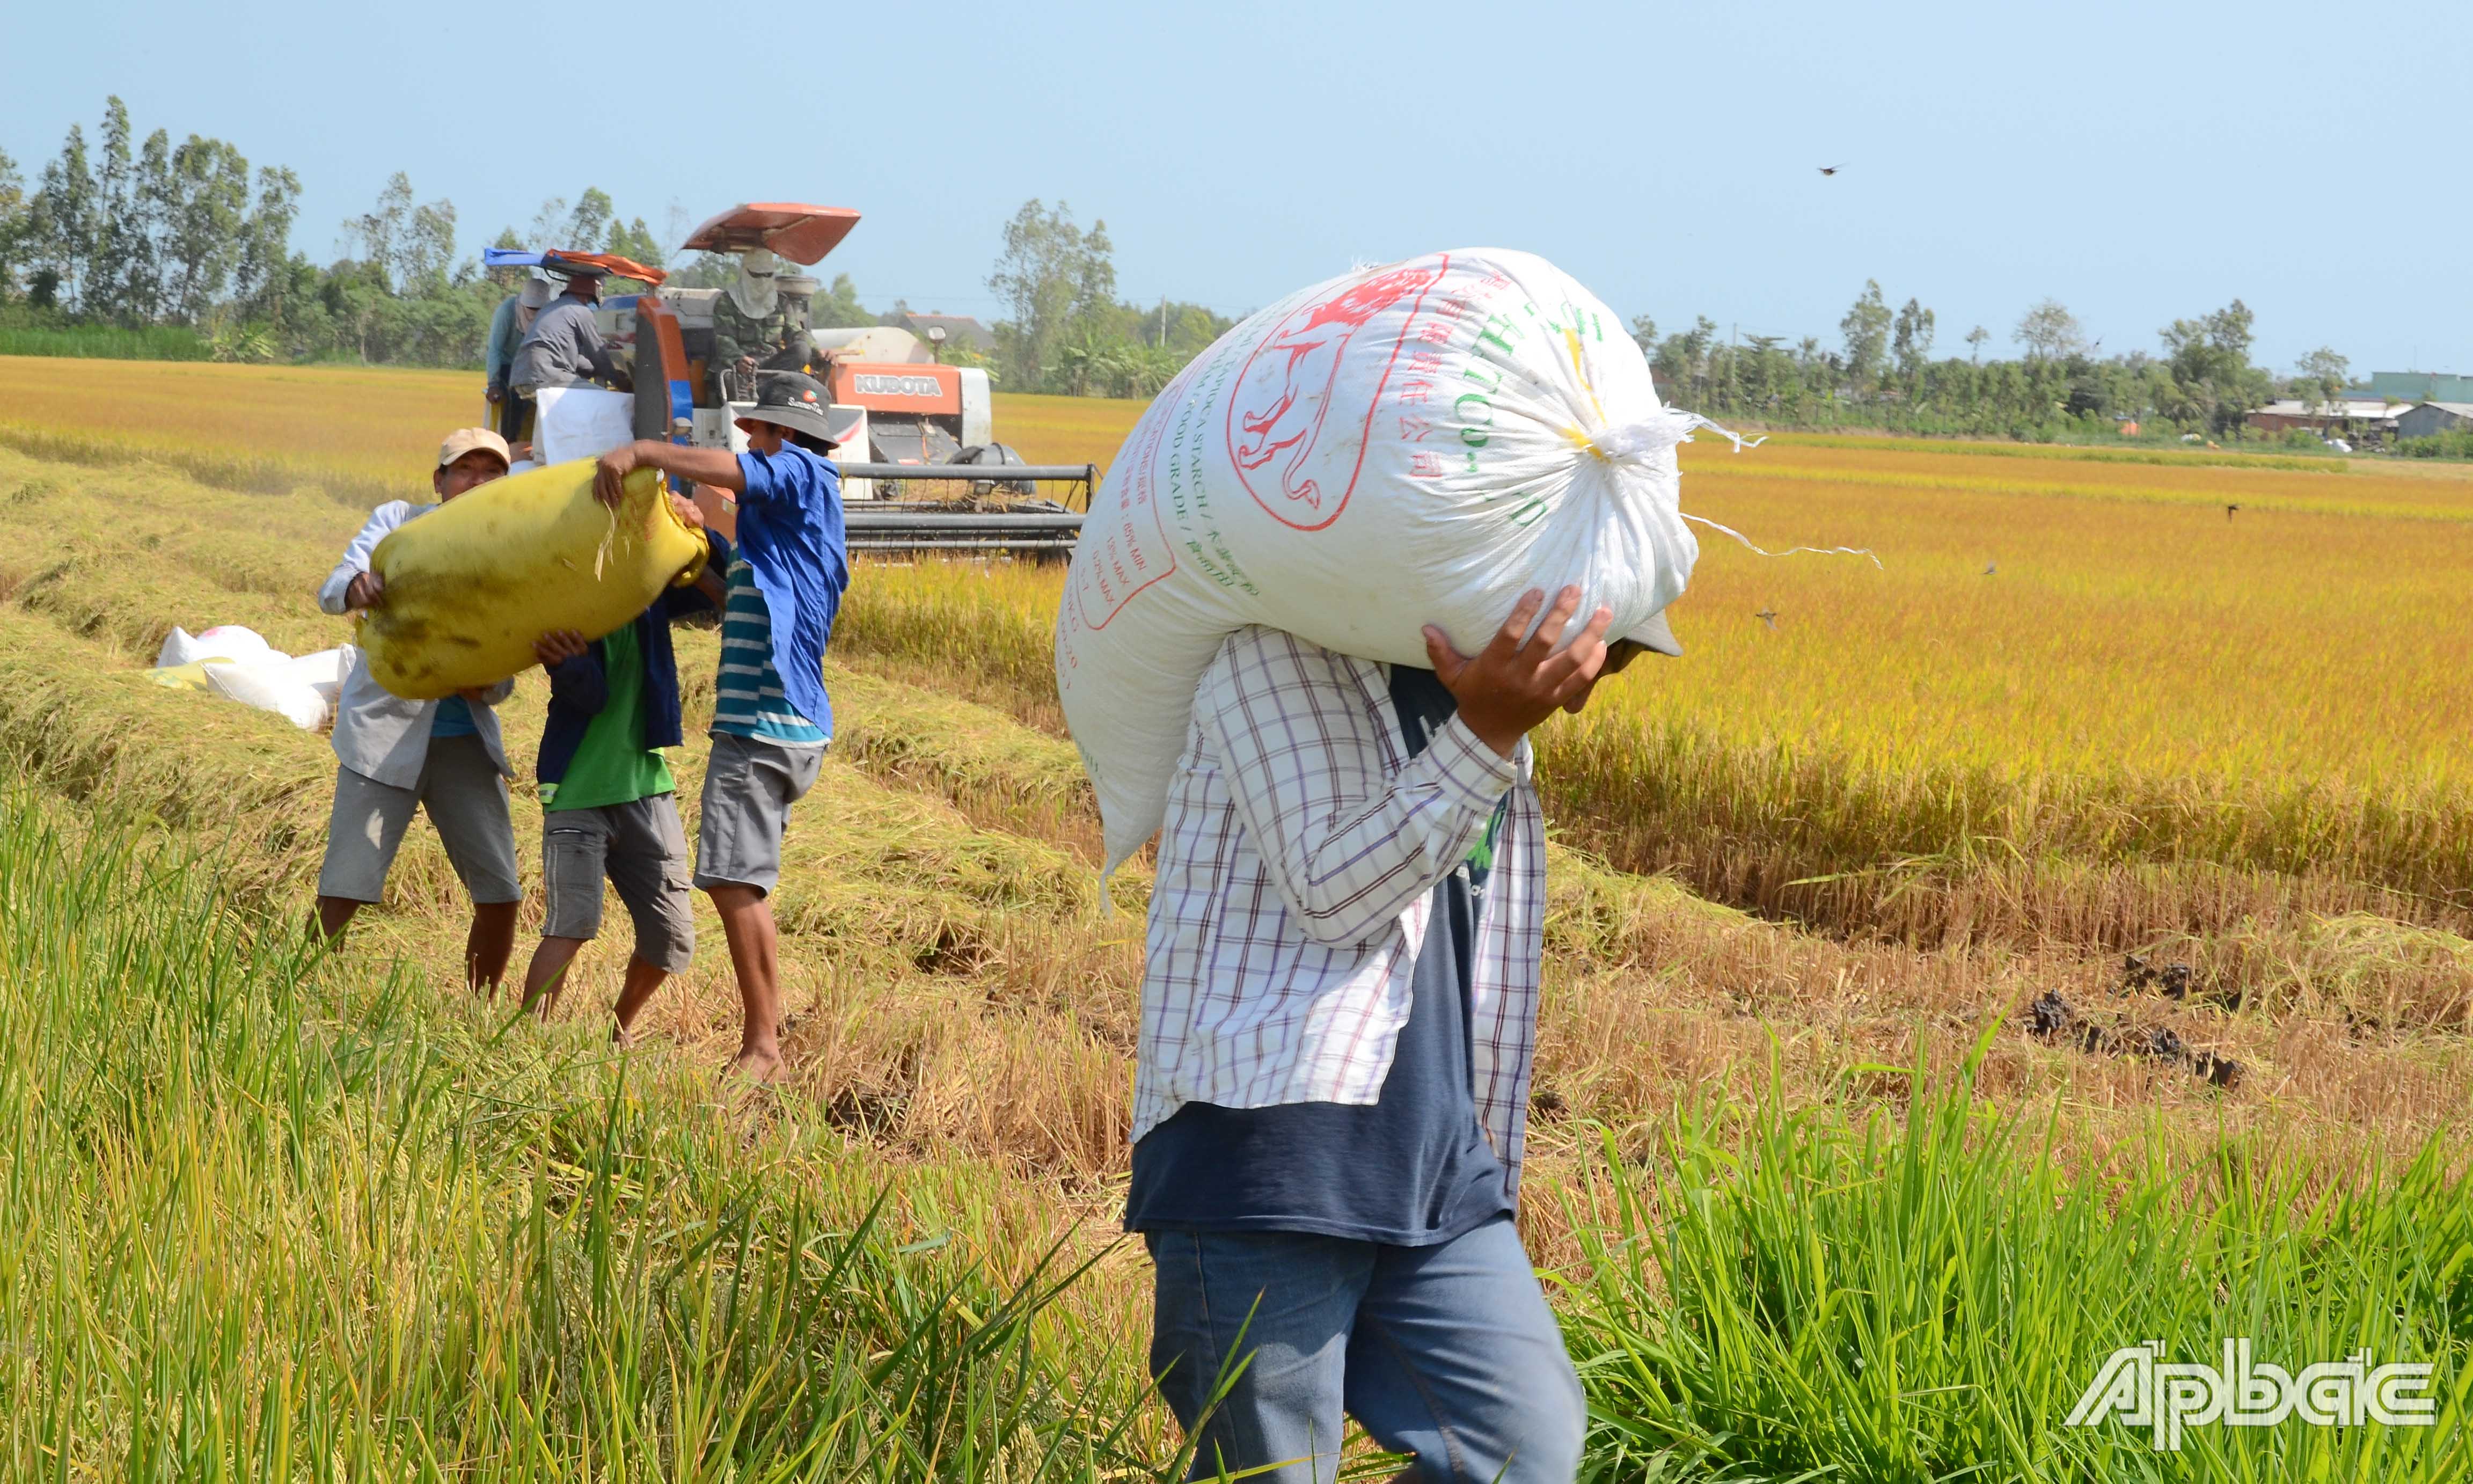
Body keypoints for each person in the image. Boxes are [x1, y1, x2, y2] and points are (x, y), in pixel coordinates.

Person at [1127, 587, 1663, 1483]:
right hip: (1267, 1160)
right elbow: (1332, 889)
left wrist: (1490, 729)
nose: (1581, 682)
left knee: (1522, 1448)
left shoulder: (1475, 708)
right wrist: (1485, 734)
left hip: (1435, 1167)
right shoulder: (1277, 656)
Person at [589, 373, 848, 1080]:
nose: (747, 447)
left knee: (735, 884)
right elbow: (742, 585)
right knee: (744, 883)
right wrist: (701, 540)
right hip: (786, 725)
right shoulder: (789, 524)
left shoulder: (802, 471)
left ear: (784, 435)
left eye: (757, 434)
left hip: (761, 725)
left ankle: (763, 1047)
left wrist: (644, 450)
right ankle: (764, 1041)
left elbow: (741, 474)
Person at [313, 428, 524, 991]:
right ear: (440, 480)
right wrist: (360, 584)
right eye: (466, 470)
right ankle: (301, 990)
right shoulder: (397, 520)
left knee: (501, 892)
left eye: (492, 472)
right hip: (383, 733)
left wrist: (490, 687)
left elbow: (509, 653)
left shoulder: (511, 548)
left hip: (463, 738)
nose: (479, 481)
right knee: (346, 885)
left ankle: (481, 1010)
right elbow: (333, 588)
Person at [518, 494, 729, 1038]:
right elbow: (586, 699)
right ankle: (525, 1044)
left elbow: (721, 590)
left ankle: (620, 1028)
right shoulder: (561, 605)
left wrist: (702, 532)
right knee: (572, 926)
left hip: (646, 788)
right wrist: (568, 666)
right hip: (578, 792)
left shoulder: (647, 597)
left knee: (673, 935)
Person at [709, 247, 809, 401]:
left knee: (802, 349)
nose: (762, 280)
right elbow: (724, 339)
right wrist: (738, 359)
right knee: (729, 378)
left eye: (767, 275)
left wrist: (819, 352)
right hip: (740, 366)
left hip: (773, 364)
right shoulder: (727, 302)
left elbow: (796, 333)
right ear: (744, 271)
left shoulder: (781, 302)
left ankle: (761, 386)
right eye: (756, 275)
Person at [511, 265, 619, 397]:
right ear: (587, 296)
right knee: (606, 398)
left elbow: (571, 357)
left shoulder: (548, 309)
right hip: (544, 375)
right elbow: (598, 354)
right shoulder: (581, 310)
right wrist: (618, 380)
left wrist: (593, 369)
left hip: (521, 378)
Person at [486, 276, 554, 443]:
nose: (533, 312)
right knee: (514, 398)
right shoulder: (507, 311)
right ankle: (508, 442)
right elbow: (495, 348)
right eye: (530, 307)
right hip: (507, 364)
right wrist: (494, 384)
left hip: (531, 364)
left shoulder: (549, 313)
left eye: (538, 308)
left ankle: (537, 443)